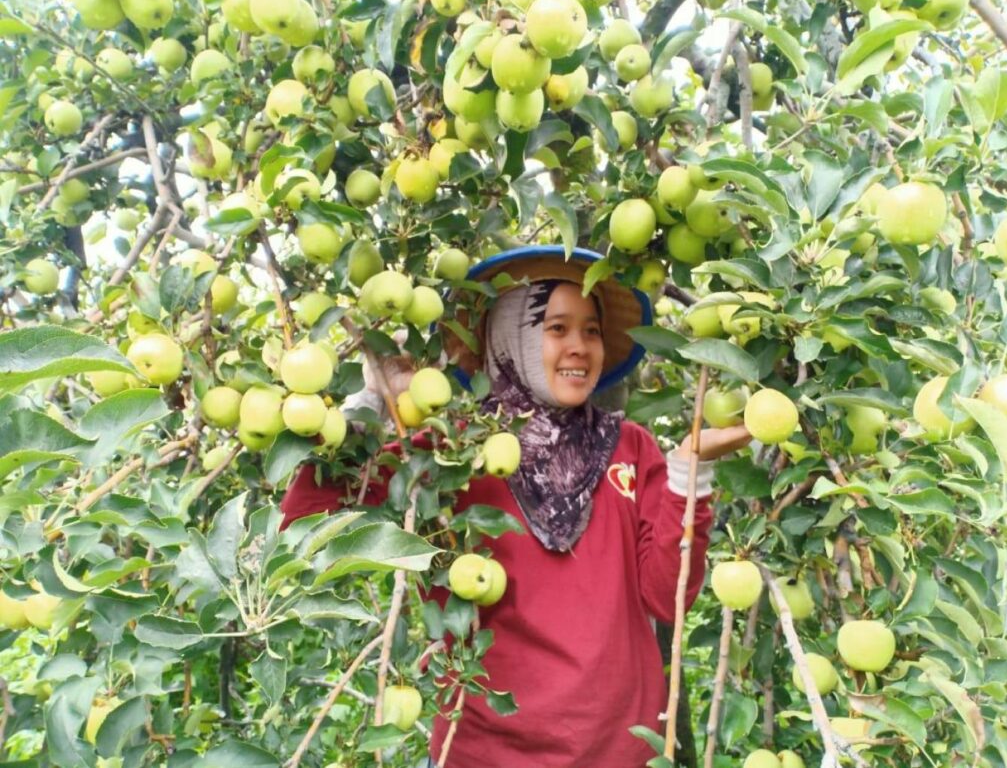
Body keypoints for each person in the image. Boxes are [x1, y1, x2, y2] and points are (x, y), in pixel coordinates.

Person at [280, 247, 752, 768]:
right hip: (485, 752)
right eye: (556, 328)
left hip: (616, 749)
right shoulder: (451, 452)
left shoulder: (629, 448)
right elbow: (306, 520)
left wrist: (690, 470)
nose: (579, 347)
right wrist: (372, 402)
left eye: (591, 331)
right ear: (512, 337)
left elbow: (669, 598)